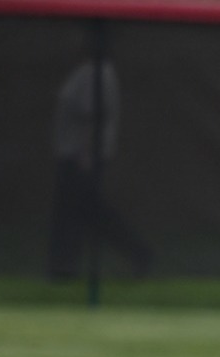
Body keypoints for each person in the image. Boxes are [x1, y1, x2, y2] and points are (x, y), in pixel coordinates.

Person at [47, 54, 152, 280]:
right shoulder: (85, 69)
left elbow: (92, 115)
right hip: (73, 154)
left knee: (87, 211)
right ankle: (64, 267)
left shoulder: (99, 72)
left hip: (81, 157)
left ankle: (139, 253)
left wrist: (87, 153)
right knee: (85, 211)